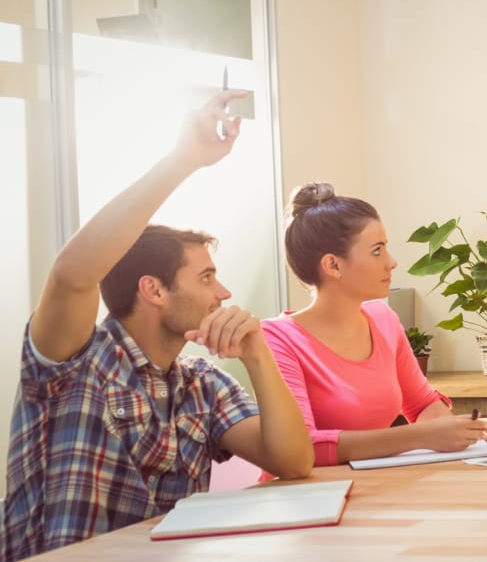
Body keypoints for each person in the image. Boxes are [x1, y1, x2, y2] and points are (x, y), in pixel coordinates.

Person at [2, 92, 313, 559]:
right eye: (207, 277)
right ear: (154, 290)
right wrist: (184, 160)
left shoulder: (203, 385)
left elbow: (293, 461)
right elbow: (71, 274)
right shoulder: (77, 360)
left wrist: (258, 353)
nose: (223, 293)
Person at [262, 183, 487, 466]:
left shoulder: (383, 319)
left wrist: (459, 432)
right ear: (333, 265)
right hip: (306, 500)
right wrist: (420, 436)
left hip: (372, 488)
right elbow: (299, 447)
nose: (392, 262)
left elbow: (422, 404)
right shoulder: (278, 339)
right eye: (377, 251)